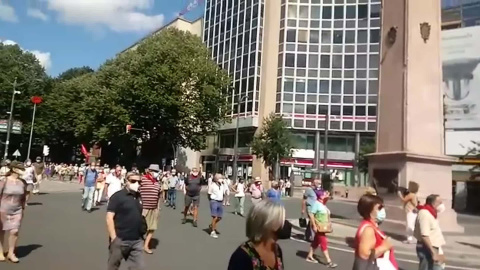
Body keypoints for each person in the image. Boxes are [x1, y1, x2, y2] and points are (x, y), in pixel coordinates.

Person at [227, 200, 292, 270]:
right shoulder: (241, 257)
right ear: (270, 224)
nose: (286, 224)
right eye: (282, 220)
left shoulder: (276, 250)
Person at [106, 172, 146, 270]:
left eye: (139, 182)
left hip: (136, 240)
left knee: (139, 267)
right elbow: (109, 217)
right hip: (120, 239)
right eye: (133, 181)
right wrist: (114, 238)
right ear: (126, 181)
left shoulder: (138, 196)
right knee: (113, 266)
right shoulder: (117, 197)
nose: (137, 184)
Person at [353, 194, 398, 270]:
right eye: (379, 208)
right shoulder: (368, 230)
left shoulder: (371, 226)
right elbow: (364, 254)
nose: (383, 210)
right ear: (369, 211)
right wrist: (384, 247)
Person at [0, 161, 27, 263]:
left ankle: (11, 253)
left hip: (17, 210)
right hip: (3, 209)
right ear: (14, 169)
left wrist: (23, 207)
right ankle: (0, 252)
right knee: (1, 231)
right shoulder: (4, 181)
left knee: (14, 231)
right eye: (20, 168)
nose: (23, 170)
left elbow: (24, 196)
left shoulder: (22, 182)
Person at [306, 192, 337, 268]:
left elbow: (327, 198)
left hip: (323, 227)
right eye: (323, 195)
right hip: (319, 227)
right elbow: (311, 214)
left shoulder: (323, 204)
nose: (325, 196)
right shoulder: (316, 204)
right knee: (324, 243)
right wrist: (314, 225)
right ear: (320, 197)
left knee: (316, 242)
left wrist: (327, 195)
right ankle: (329, 261)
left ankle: (309, 256)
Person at [415, 194, 446, 270]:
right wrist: (433, 253)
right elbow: (424, 235)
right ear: (433, 203)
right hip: (427, 248)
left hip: (434, 247)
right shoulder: (425, 214)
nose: (442, 205)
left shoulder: (431, 213)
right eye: (440, 202)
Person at [139, 164, 161, 254]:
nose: (156, 173)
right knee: (140, 227)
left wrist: (158, 208)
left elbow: (158, 196)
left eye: (157, 172)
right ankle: (135, 243)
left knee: (152, 228)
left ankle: (146, 246)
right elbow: (136, 190)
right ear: (150, 171)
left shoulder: (157, 183)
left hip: (153, 208)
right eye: (155, 171)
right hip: (143, 208)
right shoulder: (143, 179)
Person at [208, 173, 228, 239]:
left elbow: (225, 192)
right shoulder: (212, 185)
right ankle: (213, 232)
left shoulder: (222, 185)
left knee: (219, 217)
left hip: (220, 201)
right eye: (220, 178)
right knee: (215, 217)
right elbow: (209, 193)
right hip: (214, 201)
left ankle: (212, 225)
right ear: (216, 179)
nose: (222, 179)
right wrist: (211, 200)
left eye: (222, 178)